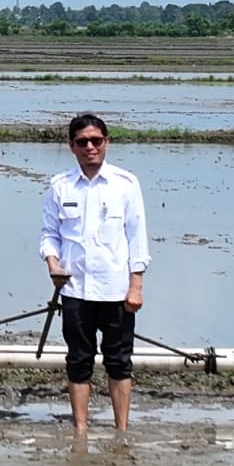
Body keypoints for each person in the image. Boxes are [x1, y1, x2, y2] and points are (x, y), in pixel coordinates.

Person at [39, 108, 150, 437]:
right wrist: (53, 265)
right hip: (74, 291)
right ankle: (81, 430)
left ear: (107, 143)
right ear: (71, 146)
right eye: (82, 142)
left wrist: (136, 286)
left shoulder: (126, 184)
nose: (90, 147)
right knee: (78, 361)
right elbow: (49, 234)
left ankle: (121, 430)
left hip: (116, 291)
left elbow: (137, 237)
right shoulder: (60, 186)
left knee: (118, 361)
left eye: (96, 141)